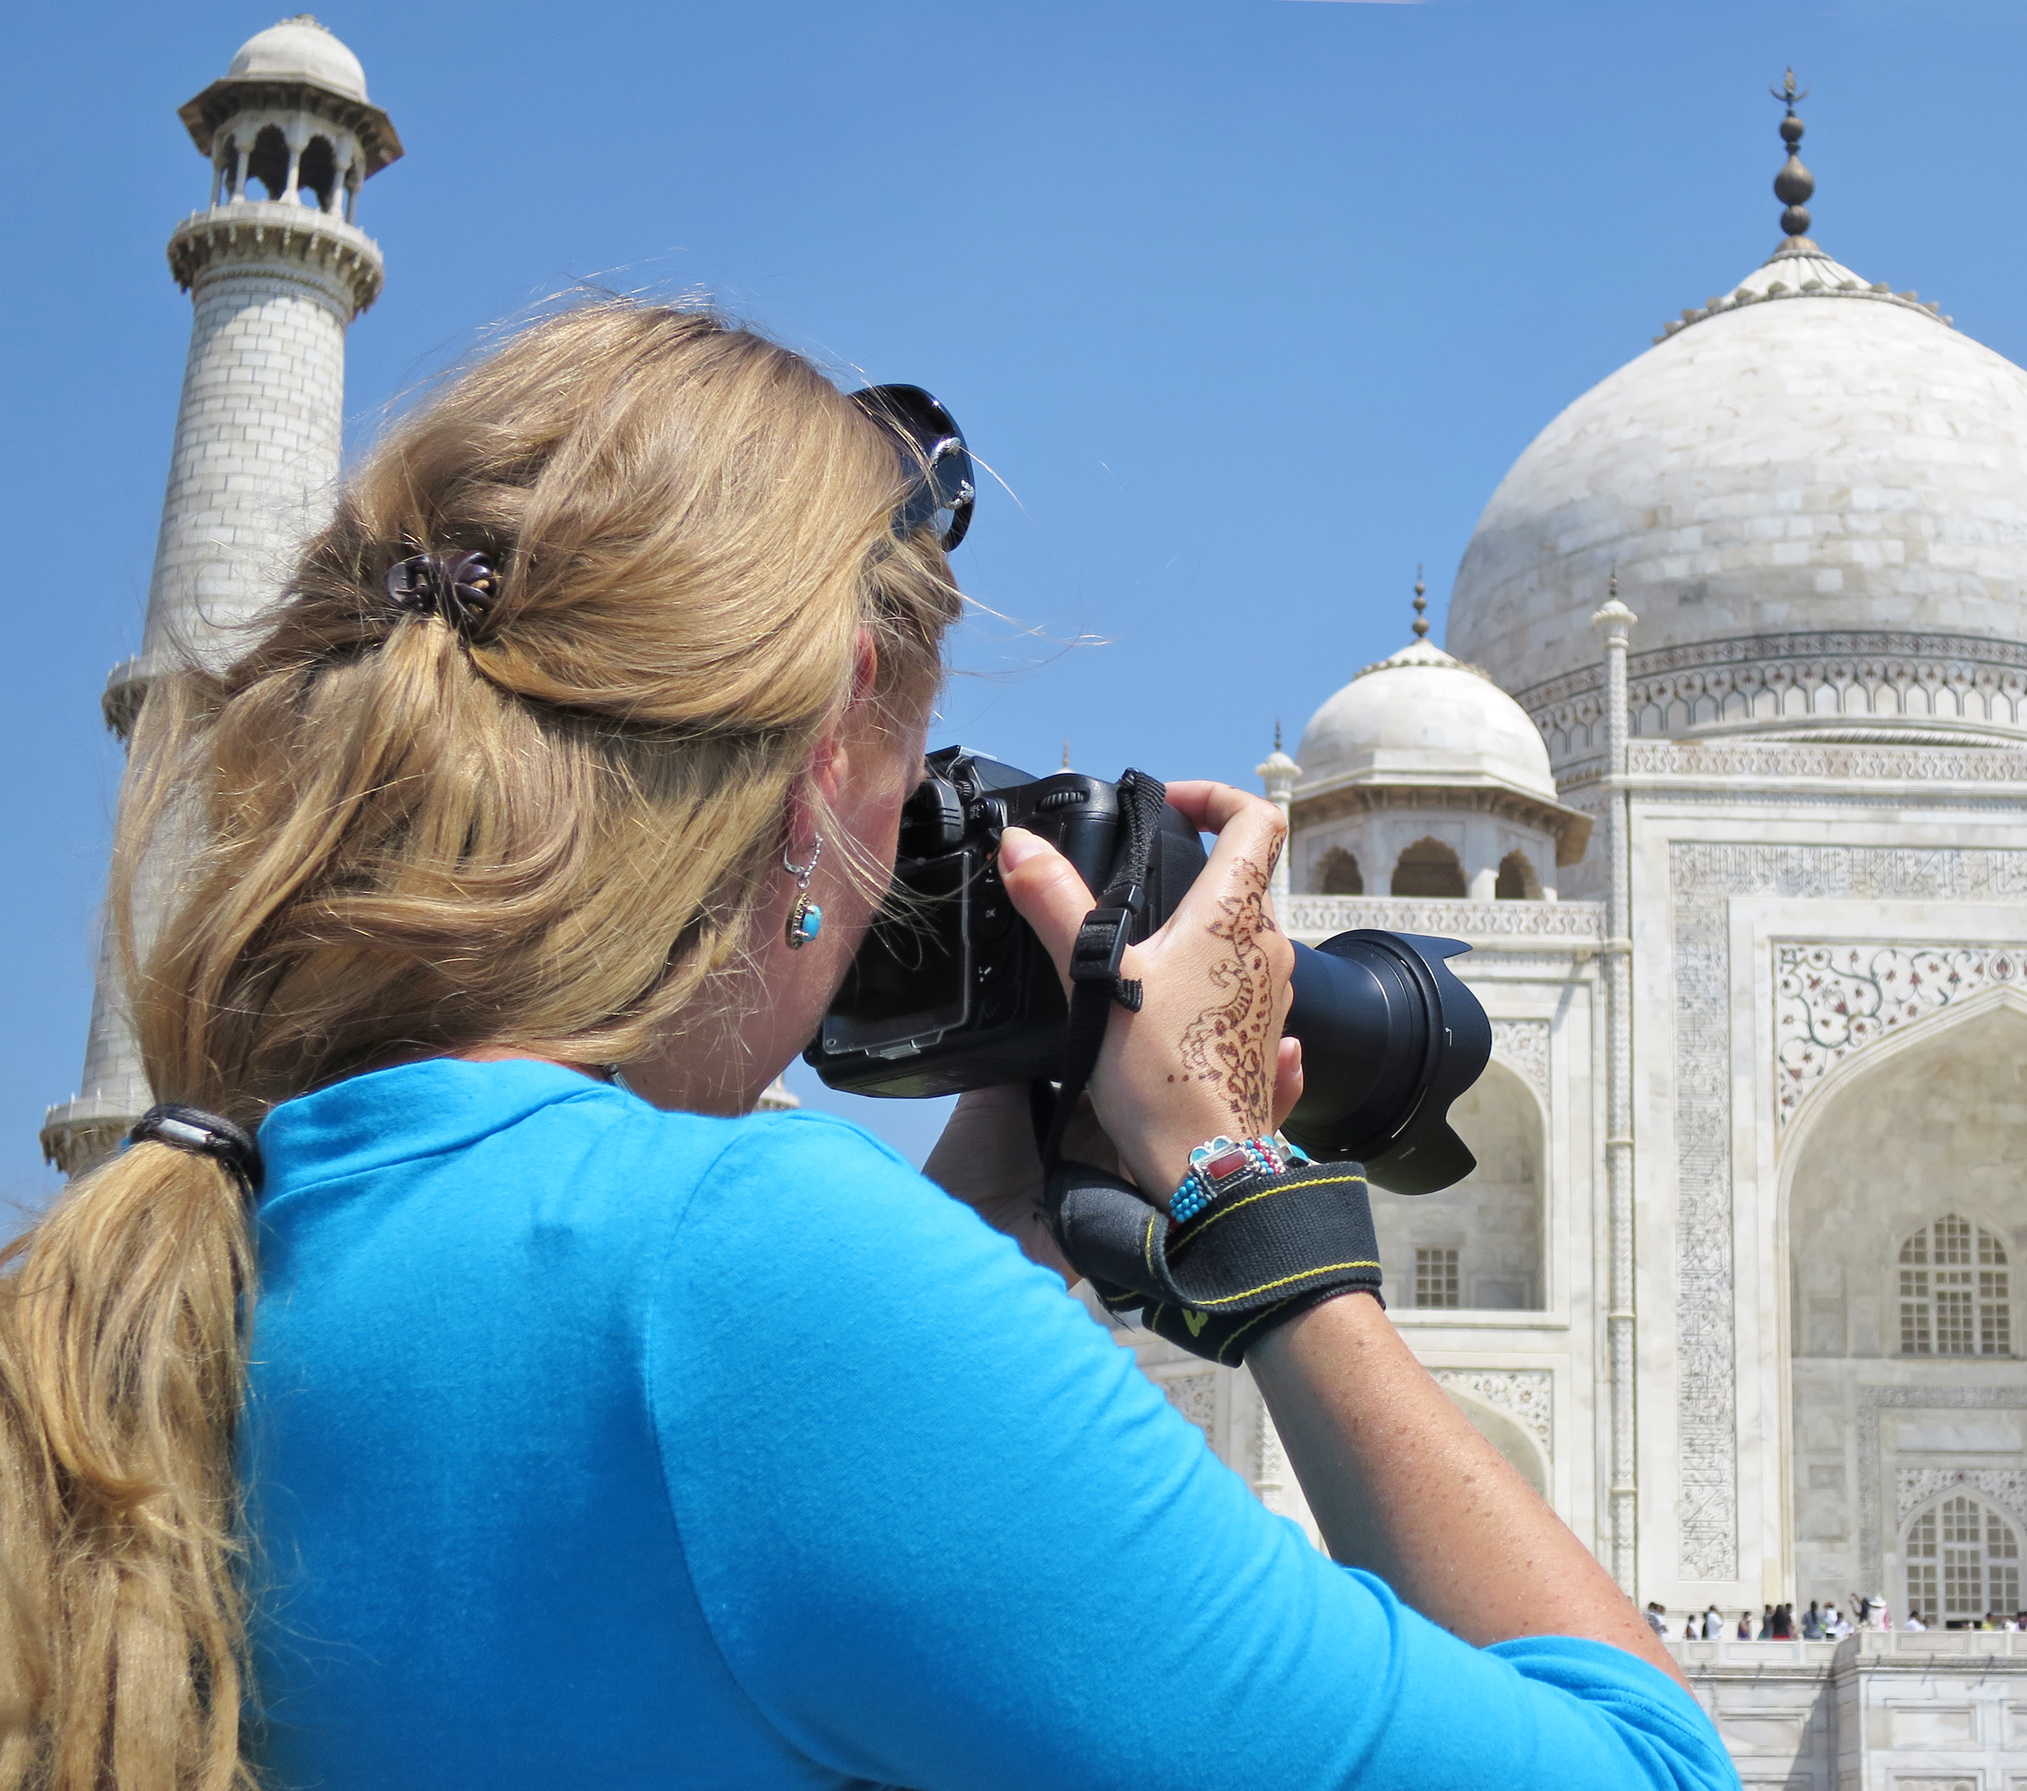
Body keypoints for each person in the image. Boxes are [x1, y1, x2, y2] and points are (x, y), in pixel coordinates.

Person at [0, 304, 1737, 1791]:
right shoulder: (750, 1275)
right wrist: (1243, 1194)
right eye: (923, 786)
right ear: (836, 739)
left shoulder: (170, 1250)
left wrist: (983, 1213)